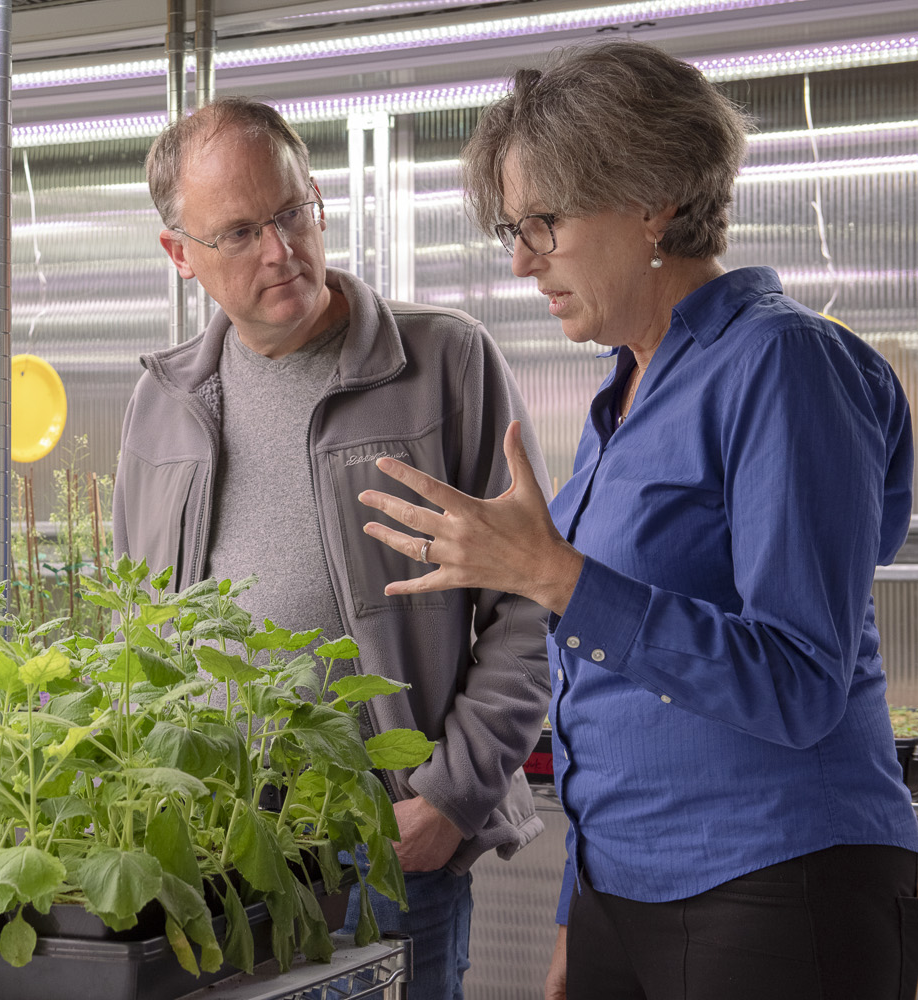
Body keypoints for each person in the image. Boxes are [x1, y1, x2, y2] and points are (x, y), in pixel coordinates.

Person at [356, 42, 918, 1000]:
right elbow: (607, 699)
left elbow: (802, 681)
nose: (525, 259)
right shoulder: (625, 395)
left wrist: (556, 577)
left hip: (778, 880)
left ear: (651, 199)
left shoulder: (782, 366)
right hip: (631, 887)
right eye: (511, 228)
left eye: (546, 222)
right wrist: (584, 908)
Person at [113, 97, 552, 998]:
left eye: (290, 213)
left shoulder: (443, 364)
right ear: (179, 255)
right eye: (238, 233)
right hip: (216, 857)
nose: (280, 251)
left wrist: (451, 795)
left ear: (317, 198)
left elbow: (531, 605)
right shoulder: (162, 405)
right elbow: (136, 631)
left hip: (386, 843)